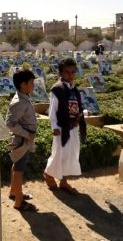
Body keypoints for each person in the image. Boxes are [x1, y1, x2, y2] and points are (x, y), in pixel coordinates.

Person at [44, 58, 87, 195]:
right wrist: (54, 127)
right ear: (60, 73)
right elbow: (52, 111)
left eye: (73, 72)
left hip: (73, 127)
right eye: (67, 72)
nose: (70, 75)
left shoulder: (74, 89)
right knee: (59, 154)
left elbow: (77, 106)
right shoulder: (57, 89)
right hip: (61, 128)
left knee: (72, 154)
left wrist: (81, 115)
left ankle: (64, 181)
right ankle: (48, 174)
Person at [5, 70, 38, 211]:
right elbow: (10, 123)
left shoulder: (24, 97)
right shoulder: (19, 102)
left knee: (17, 166)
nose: (34, 86)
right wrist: (26, 134)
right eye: (31, 83)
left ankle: (14, 192)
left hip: (23, 140)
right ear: (23, 85)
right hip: (22, 141)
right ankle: (19, 201)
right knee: (19, 170)